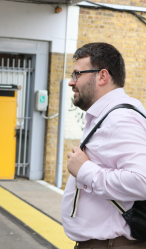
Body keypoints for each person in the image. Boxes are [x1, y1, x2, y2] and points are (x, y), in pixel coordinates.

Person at [62, 42, 146, 248]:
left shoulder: (119, 118)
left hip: (112, 244)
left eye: (77, 75)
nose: (71, 82)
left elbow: (142, 181)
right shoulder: (108, 115)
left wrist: (84, 171)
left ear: (102, 76)